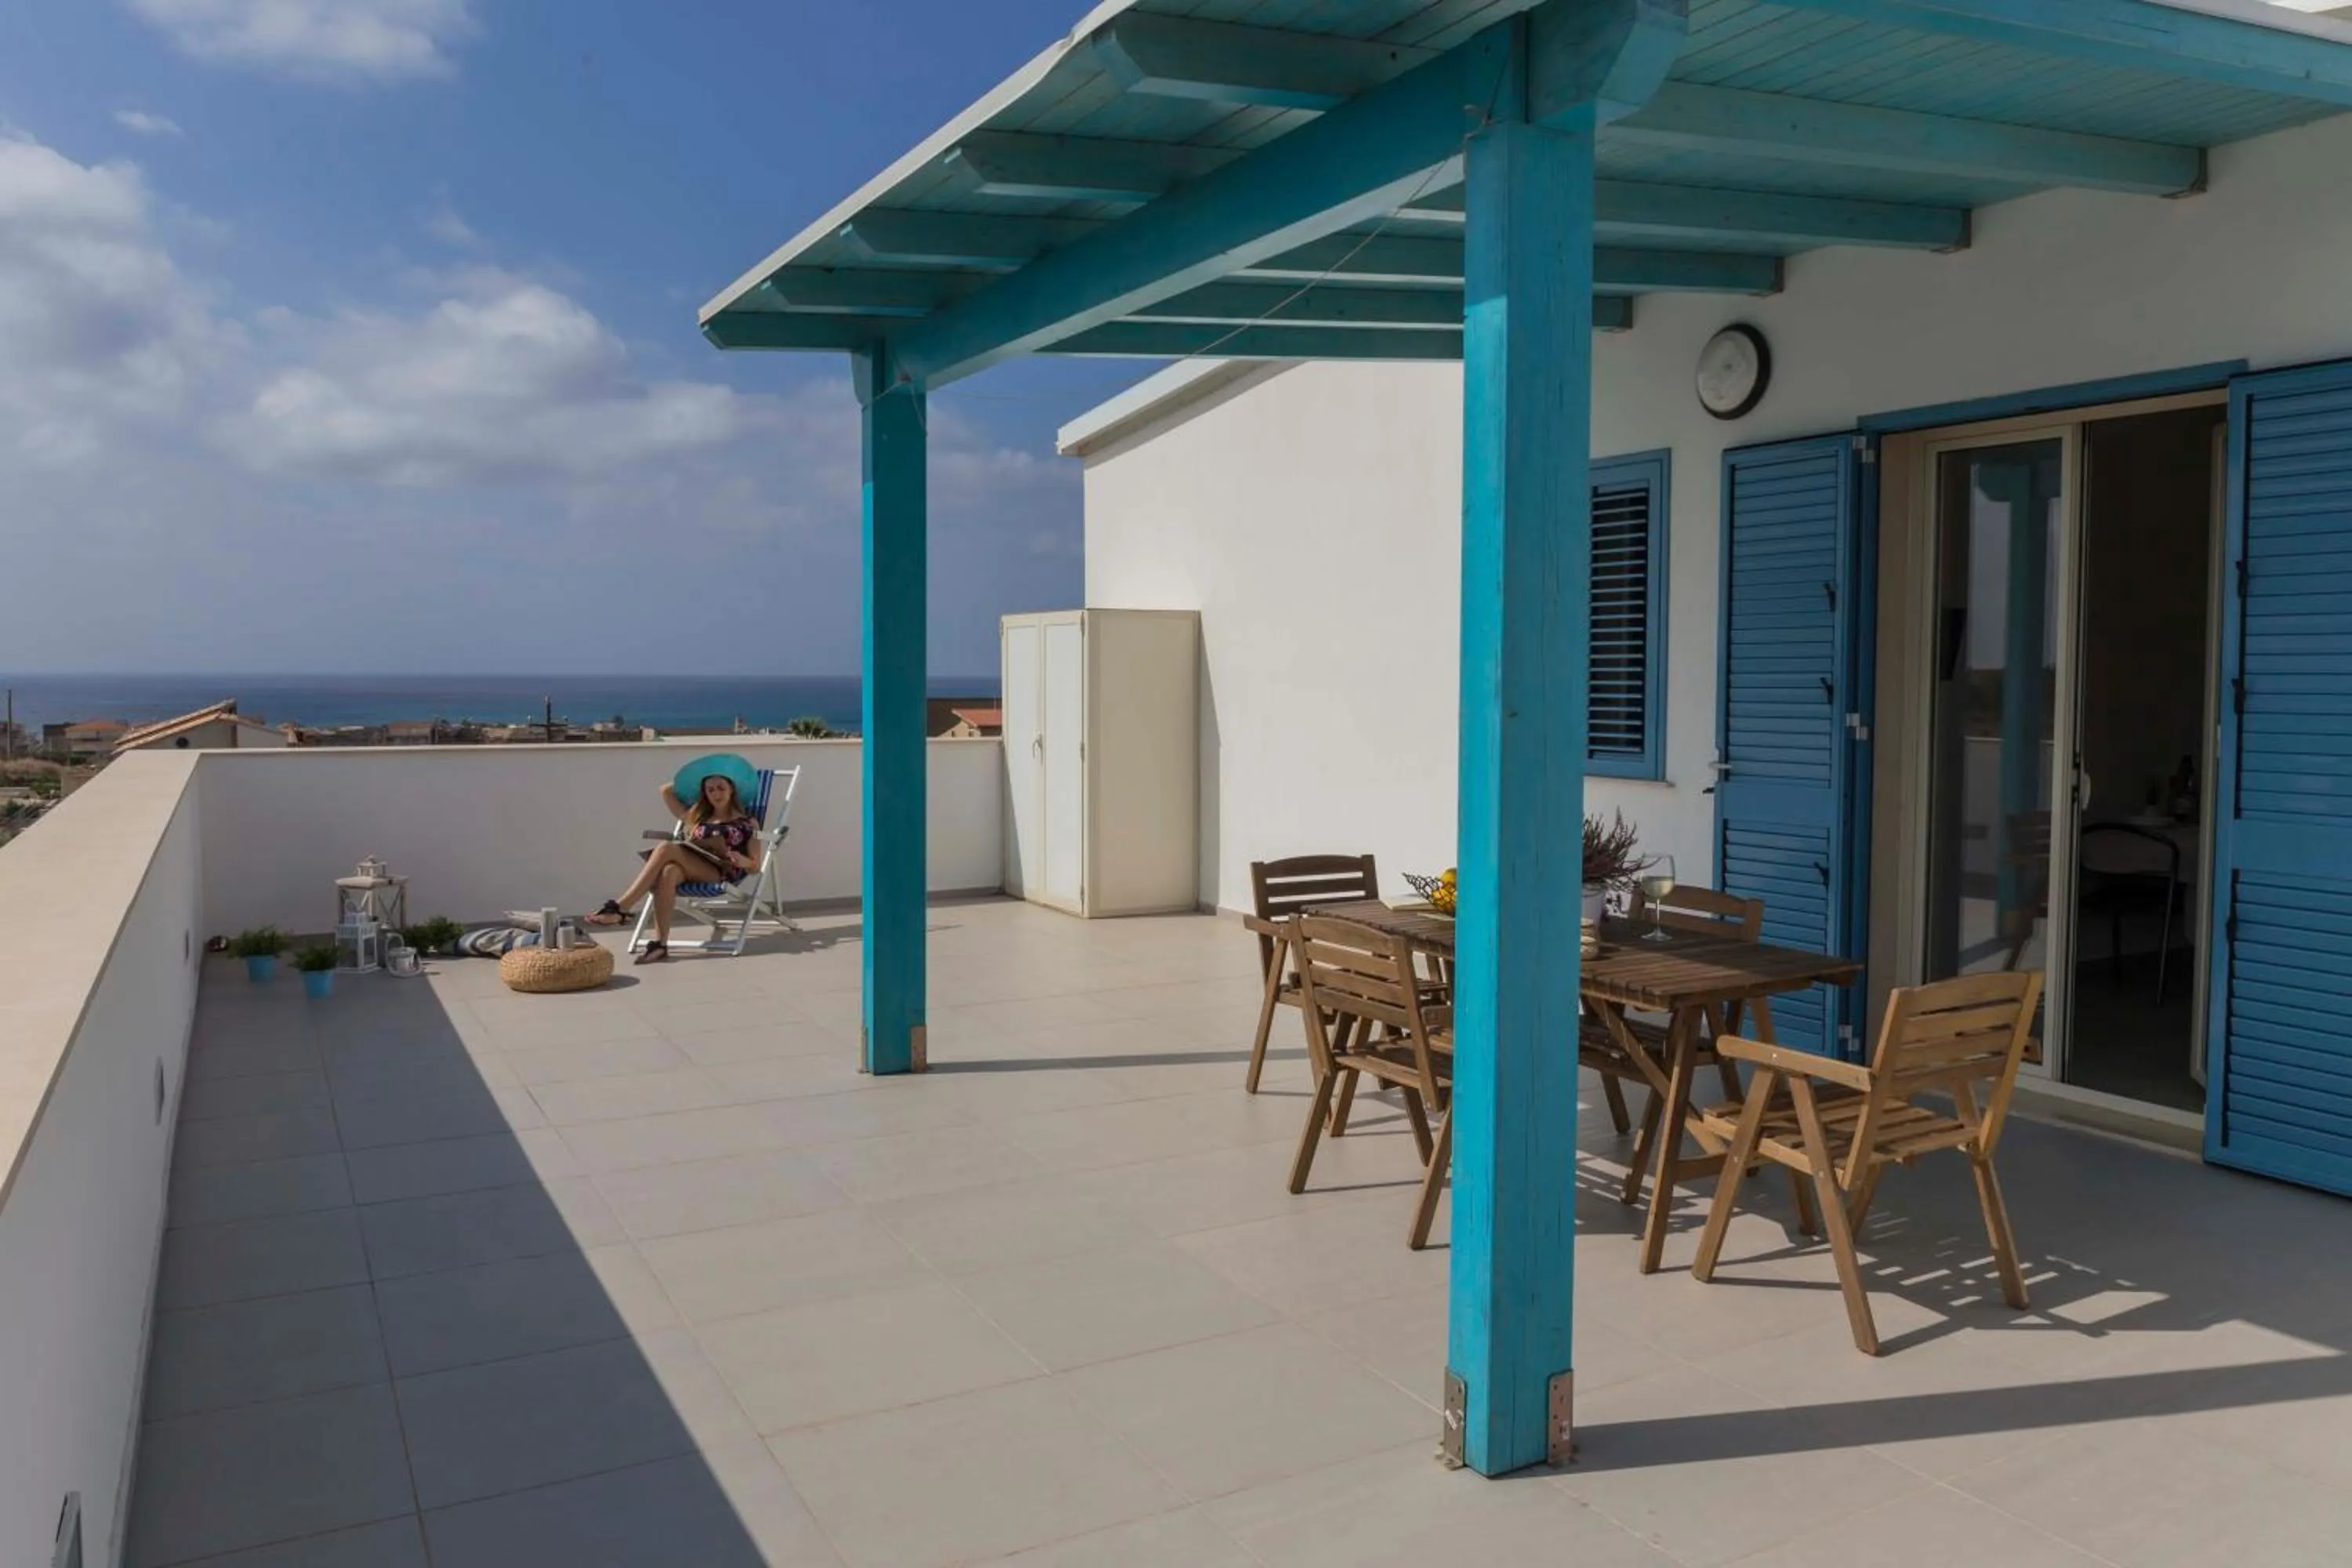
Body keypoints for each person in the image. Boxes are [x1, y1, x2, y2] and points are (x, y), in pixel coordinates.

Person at [586, 765, 760, 962]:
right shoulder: (697, 816)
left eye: (721, 787)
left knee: (665, 848)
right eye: (710, 789)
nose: (716, 793)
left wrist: (744, 861)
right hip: (690, 864)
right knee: (668, 872)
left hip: (719, 871)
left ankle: (620, 908)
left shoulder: (748, 823)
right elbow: (666, 790)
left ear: (732, 789)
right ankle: (660, 944)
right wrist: (694, 776)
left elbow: (756, 867)